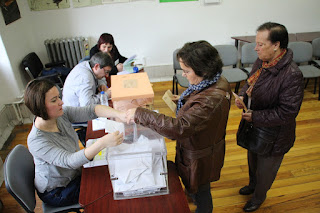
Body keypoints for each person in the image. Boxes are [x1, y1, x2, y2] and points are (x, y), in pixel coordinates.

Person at [126, 41, 231, 213]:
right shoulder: (214, 79)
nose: (183, 74)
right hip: (199, 147)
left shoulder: (210, 99)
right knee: (196, 186)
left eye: (187, 71)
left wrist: (141, 114)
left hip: (200, 154)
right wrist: (186, 101)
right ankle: (193, 195)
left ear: (203, 70)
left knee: (202, 192)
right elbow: (199, 102)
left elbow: (178, 128)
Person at [235, 22, 304, 212]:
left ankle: (258, 197)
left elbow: (287, 112)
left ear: (276, 45)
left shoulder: (292, 75)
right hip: (255, 126)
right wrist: (242, 95)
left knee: (266, 170)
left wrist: (255, 116)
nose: (255, 48)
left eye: (260, 44)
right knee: (253, 159)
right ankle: (252, 185)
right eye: (256, 43)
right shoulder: (262, 61)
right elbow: (250, 83)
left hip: (275, 135)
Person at [24, 79, 125, 207]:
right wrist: (102, 143)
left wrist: (120, 114)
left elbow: (92, 110)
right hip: (58, 191)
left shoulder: (60, 114)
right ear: (40, 107)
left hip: (74, 173)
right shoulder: (36, 141)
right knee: (106, 187)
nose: (61, 102)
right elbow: (69, 161)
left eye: (59, 97)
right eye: (54, 100)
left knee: (110, 173)